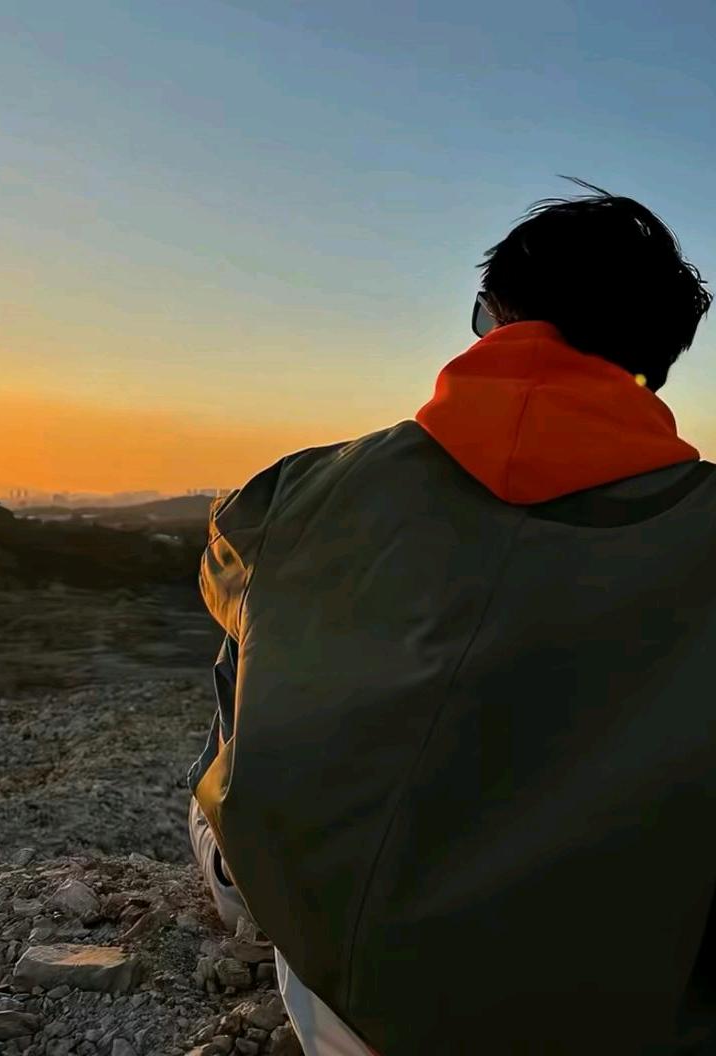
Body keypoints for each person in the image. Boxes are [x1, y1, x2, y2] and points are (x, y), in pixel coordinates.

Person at [187, 178, 716, 1056]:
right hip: (630, 1015)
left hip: (342, 997)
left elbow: (233, 604)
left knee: (239, 681)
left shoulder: (289, 495)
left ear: (493, 320)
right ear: (652, 367)